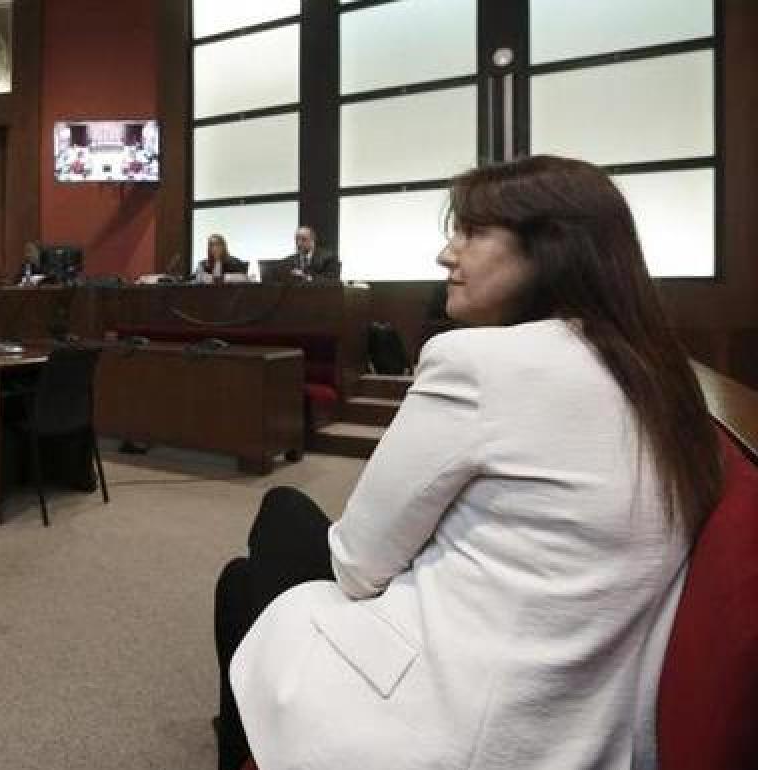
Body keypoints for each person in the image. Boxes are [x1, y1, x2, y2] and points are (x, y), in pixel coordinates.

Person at [213, 155, 723, 770]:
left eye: (472, 233)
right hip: (581, 726)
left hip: (463, 729)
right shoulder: (659, 375)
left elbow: (356, 565)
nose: (445, 255)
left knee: (269, 533)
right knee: (255, 564)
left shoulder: (480, 363)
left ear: (551, 250)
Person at [273, 226, 338, 283]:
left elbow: (331, 280)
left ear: (313, 240)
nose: (299, 243)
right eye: (297, 240)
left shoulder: (328, 258)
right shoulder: (289, 260)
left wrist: (305, 277)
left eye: (303, 240)